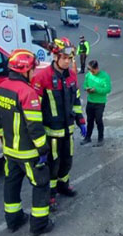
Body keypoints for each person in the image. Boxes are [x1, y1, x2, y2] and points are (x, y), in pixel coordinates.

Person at [0, 49, 53, 236]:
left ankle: (13, 220)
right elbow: (34, 126)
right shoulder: (27, 93)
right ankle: (39, 225)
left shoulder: (1, 88)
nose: (34, 74)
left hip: (10, 150)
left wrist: (5, 141)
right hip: (28, 152)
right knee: (41, 184)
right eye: (32, 70)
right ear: (25, 71)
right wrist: (43, 148)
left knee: (11, 184)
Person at [32, 38, 86, 209]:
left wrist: (81, 121)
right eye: (65, 58)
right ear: (55, 57)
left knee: (67, 160)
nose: (68, 61)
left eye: (70, 58)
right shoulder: (43, 78)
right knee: (53, 164)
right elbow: (35, 111)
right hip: (51, 131)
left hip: (68, 129)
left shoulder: (71, 76)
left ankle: (63, 186)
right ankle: (51, 193)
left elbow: (76, 100)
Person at [81, 60, 111, 147]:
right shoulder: (88, 75)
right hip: (90, 101)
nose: (91, 73)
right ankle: (88, 137)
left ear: (97, 68)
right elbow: (84, 85)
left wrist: (96, 90)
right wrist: (87, 88)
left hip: (100, 102)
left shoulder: (104, 76)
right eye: (90, 71)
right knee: (89, 120)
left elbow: (108, 89)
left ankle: (100, 139)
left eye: (93, 71)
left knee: (98, 120)